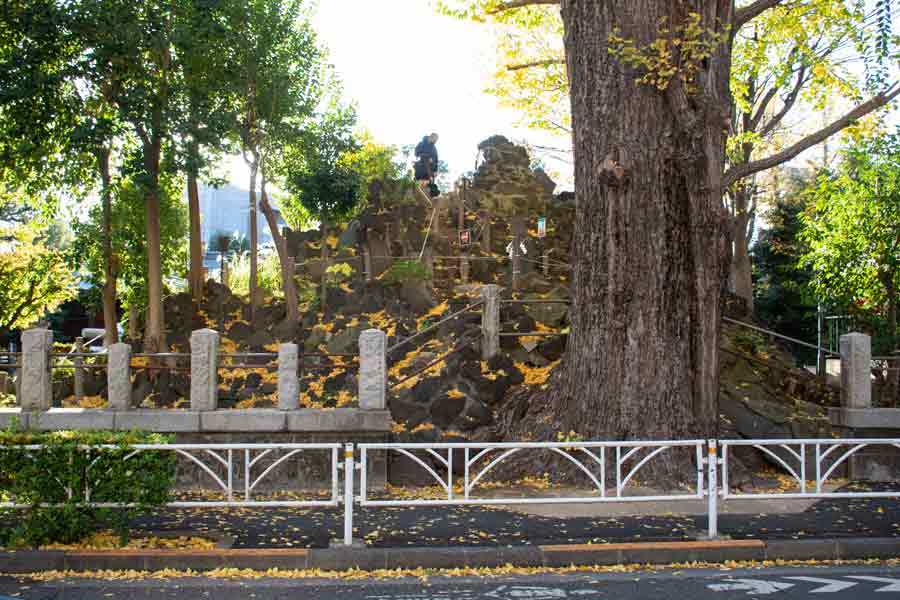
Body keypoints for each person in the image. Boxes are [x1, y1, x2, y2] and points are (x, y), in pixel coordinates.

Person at [414, 133, 440, 197]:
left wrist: (436, 170)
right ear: (431, 137)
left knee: (428, 187)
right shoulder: (421, 143)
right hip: (421, 168)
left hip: (431, 171)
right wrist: (427, 157)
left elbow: (436, 160)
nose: (436, 141)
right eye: (435, 139)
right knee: (420, 185)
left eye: (436, 140)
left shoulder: (434, 148)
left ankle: (427, 201)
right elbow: (416, 153)